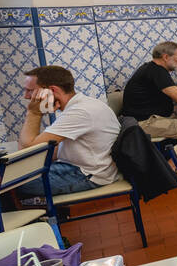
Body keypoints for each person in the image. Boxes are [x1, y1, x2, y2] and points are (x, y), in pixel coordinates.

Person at [17, 65, 120, 196]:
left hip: (88, 175)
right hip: (85, 168)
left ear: (52, 90)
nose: (26, 96)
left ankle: (45, 215)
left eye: (30, 91)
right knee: (10, 177)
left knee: (10, 184)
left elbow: (26, 151)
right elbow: (42, 153)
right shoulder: (80, 105)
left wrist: (33, 113)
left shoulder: (80, 112)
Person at [121, 41, 177, 138]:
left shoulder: (151, 68)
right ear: (166, 57)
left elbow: (156, 90)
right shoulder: (157, 71)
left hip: (149, 117)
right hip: (145, 123)